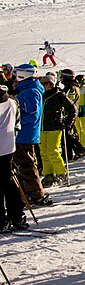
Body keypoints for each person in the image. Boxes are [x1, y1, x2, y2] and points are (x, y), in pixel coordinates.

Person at [12, 64, 48, 204]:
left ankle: (35, 193)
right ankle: (29, 191)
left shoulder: (30, 91)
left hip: (25, 133)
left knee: (26, 163)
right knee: (24, 163)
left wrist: (15, 120)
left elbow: (32, 115)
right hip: (24, 133)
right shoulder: (28, 89)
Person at [38, 73, 73, 187]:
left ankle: (61, 172)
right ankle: (48, 173)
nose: (44, 85)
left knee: (52, 151)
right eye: (42, 83)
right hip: (42, 127)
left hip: (54, 126)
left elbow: (72, 109)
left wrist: (67, 123)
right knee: (43, 152)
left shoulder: (59, 95)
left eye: (46, 83)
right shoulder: (40, 95)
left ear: (51, 84)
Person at [0, 83, 27, 232]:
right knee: (10, 183)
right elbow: (18, 122)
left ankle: (2, 220)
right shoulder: (12, 101)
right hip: (9, 147)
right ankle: (16, 216)